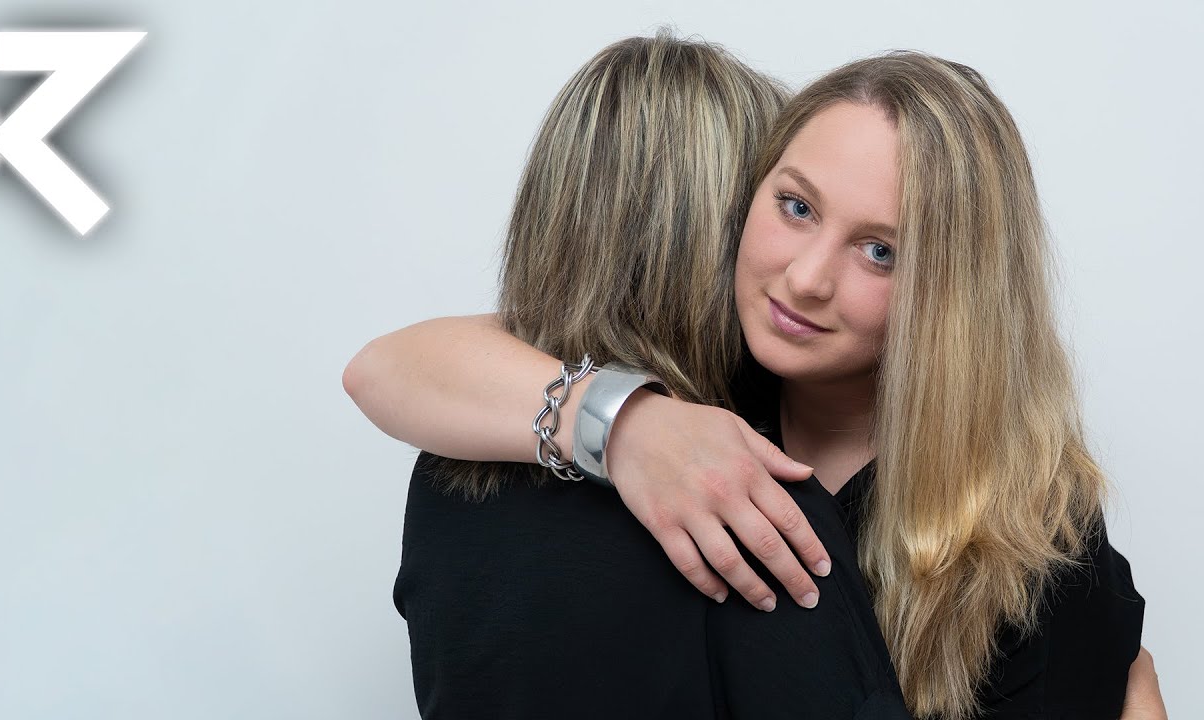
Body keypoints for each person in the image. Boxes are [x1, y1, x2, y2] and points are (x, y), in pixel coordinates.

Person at [347, 43, 1162, 719]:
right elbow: (389, 367)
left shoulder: (1038, 551)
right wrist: (628, 426)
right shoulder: (716, 388)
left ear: (953, 298)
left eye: (881, 251)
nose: (806, 279)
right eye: (796, 207)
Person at [373, 32, 911, 719]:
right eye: (791, 208)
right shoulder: (749, 507)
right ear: (720, 235)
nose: (800, 273)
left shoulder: (448, 475)